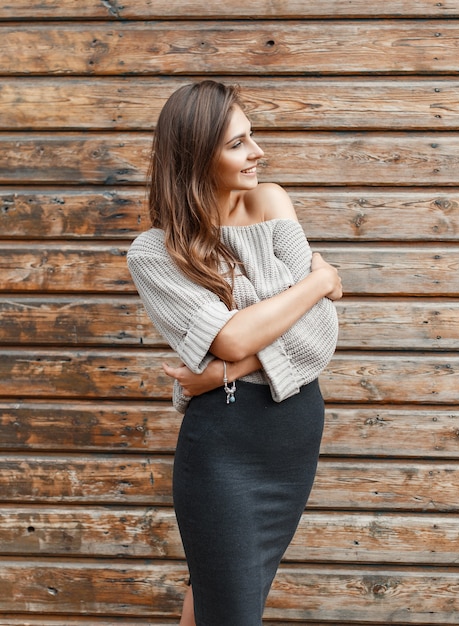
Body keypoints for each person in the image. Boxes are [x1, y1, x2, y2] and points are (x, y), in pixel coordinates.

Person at [126, 80, 342, 625]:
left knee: (216, 601)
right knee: (232, 609)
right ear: (196, 157)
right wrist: (318, 283)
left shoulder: (271, 202)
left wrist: (222, 370)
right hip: (223, 445)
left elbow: (320, 333)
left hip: (292, 434)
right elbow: (232, 336)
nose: (257, 152)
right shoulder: (155, 252)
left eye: (252, 137)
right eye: (237, 144)